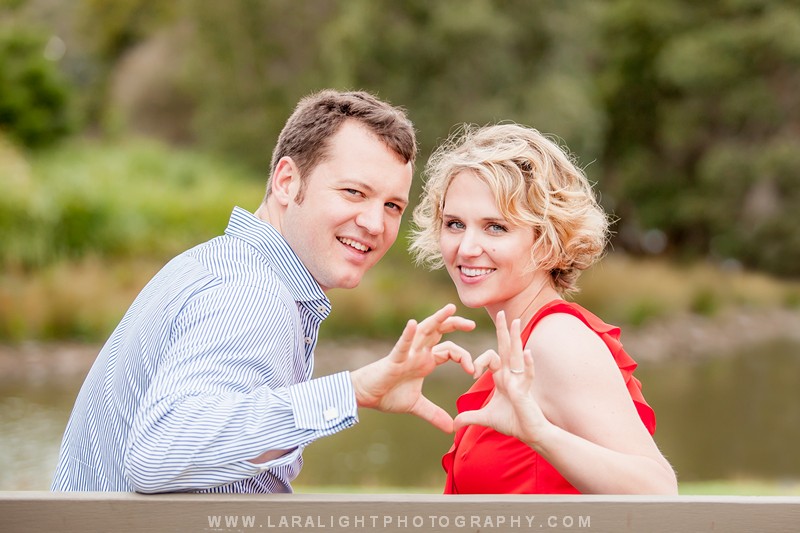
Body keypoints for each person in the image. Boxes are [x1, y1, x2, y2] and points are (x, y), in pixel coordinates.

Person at [51, 89, 476, 493]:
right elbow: (158, 453)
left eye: (392, 206)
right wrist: (351, 391)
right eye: (354, 192)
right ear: (287, 182)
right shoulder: (251, 292)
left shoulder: (220, 263)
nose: (375, 223)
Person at [410, 123, 678, 494]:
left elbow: (657, 491)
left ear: (548, 241)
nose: (467, 247)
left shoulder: (558, 341)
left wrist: (541, 435)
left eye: (495, 227)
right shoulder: (525, 344)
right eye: (455, 224)